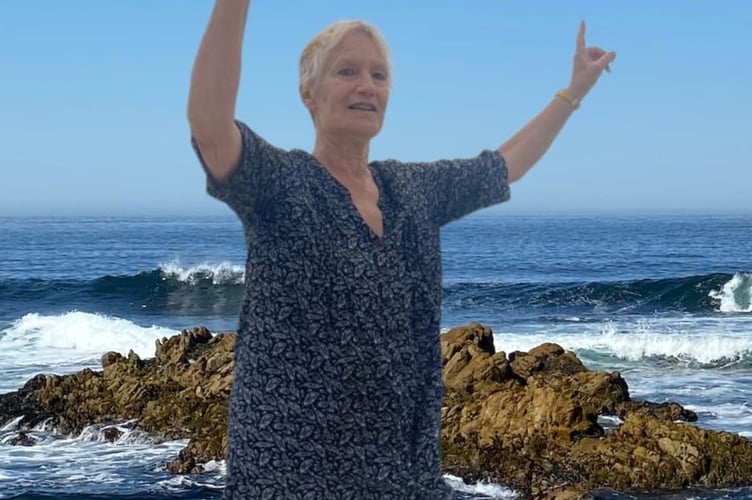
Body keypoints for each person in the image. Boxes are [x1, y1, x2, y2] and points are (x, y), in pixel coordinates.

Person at [187, 2, 615, 499]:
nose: (367, 85)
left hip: (404, 473)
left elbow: (506, 165)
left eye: (379, 75)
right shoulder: (282, 183)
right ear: (309, 92)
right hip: (291, 472)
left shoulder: (411, 189)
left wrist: (573, 92)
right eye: (346, 71)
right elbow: (210, 127)